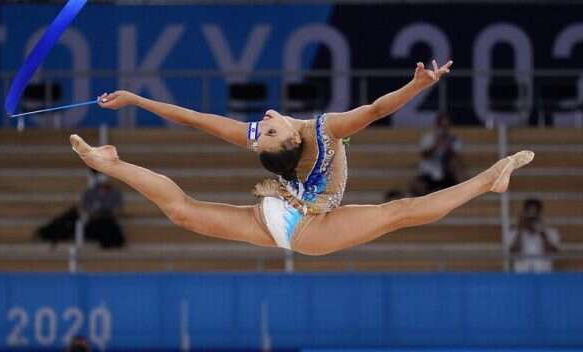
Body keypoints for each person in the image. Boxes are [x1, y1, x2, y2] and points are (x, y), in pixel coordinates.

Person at [69, 59, 534, 256]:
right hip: (293, 220)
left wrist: (415, 87)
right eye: (265, 128)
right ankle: (110, 162)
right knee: (181, 213)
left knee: (401, 213)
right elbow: (192, 118)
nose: (265, 118)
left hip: (297, 218)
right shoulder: (302, 133)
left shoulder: (302, 134)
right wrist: (134, 99)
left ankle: (491, 177)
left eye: (264, 127)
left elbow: (374, 110)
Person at [410, 112, 467, 196]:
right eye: (442, 126)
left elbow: (456, 158)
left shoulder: (454, 139)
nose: (444, 129)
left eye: (446, 126)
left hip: (446, 173)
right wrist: (436, 144)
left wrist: (448, 145)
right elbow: (424, 155)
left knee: (459, 171)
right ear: (437, 125)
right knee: (418, 185)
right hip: (428, 172)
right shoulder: (429, 137)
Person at [507, 198, 560, 273]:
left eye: (535, 215)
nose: (532, 219)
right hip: (521, 273)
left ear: (540, 214)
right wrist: (520, 229)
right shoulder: (514, 232)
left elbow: (552, 253)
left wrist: (542, 232)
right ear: (524, 214)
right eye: (529, 215)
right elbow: (513, 252)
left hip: (544, 272)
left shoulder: (551, 232)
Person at [81, 173, 125, 248]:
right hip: (95, 219)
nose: (103, 187)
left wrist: (106, 208)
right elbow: (85, 206)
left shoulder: (115, 193)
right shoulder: (90, 193)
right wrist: (94, 209)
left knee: (107, 225)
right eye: (101, 185)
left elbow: (118, 206)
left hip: (109, 218)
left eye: (105, 185)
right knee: (102, 226)